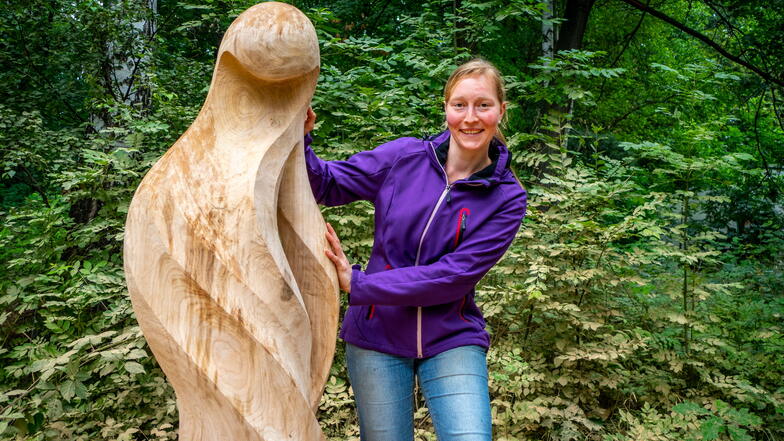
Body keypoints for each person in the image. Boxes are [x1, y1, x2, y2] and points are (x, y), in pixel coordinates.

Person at [303, 58, 527, 441]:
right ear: (446, 108)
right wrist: (299, 136)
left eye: (483, 105)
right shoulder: (404, 157)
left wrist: (359, 285)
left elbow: (451, 278)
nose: (470, 117)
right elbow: (325, 185)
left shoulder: (507, 198)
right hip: (377, 335)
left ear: (501, 111)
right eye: (459, 105)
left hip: (451, 336)